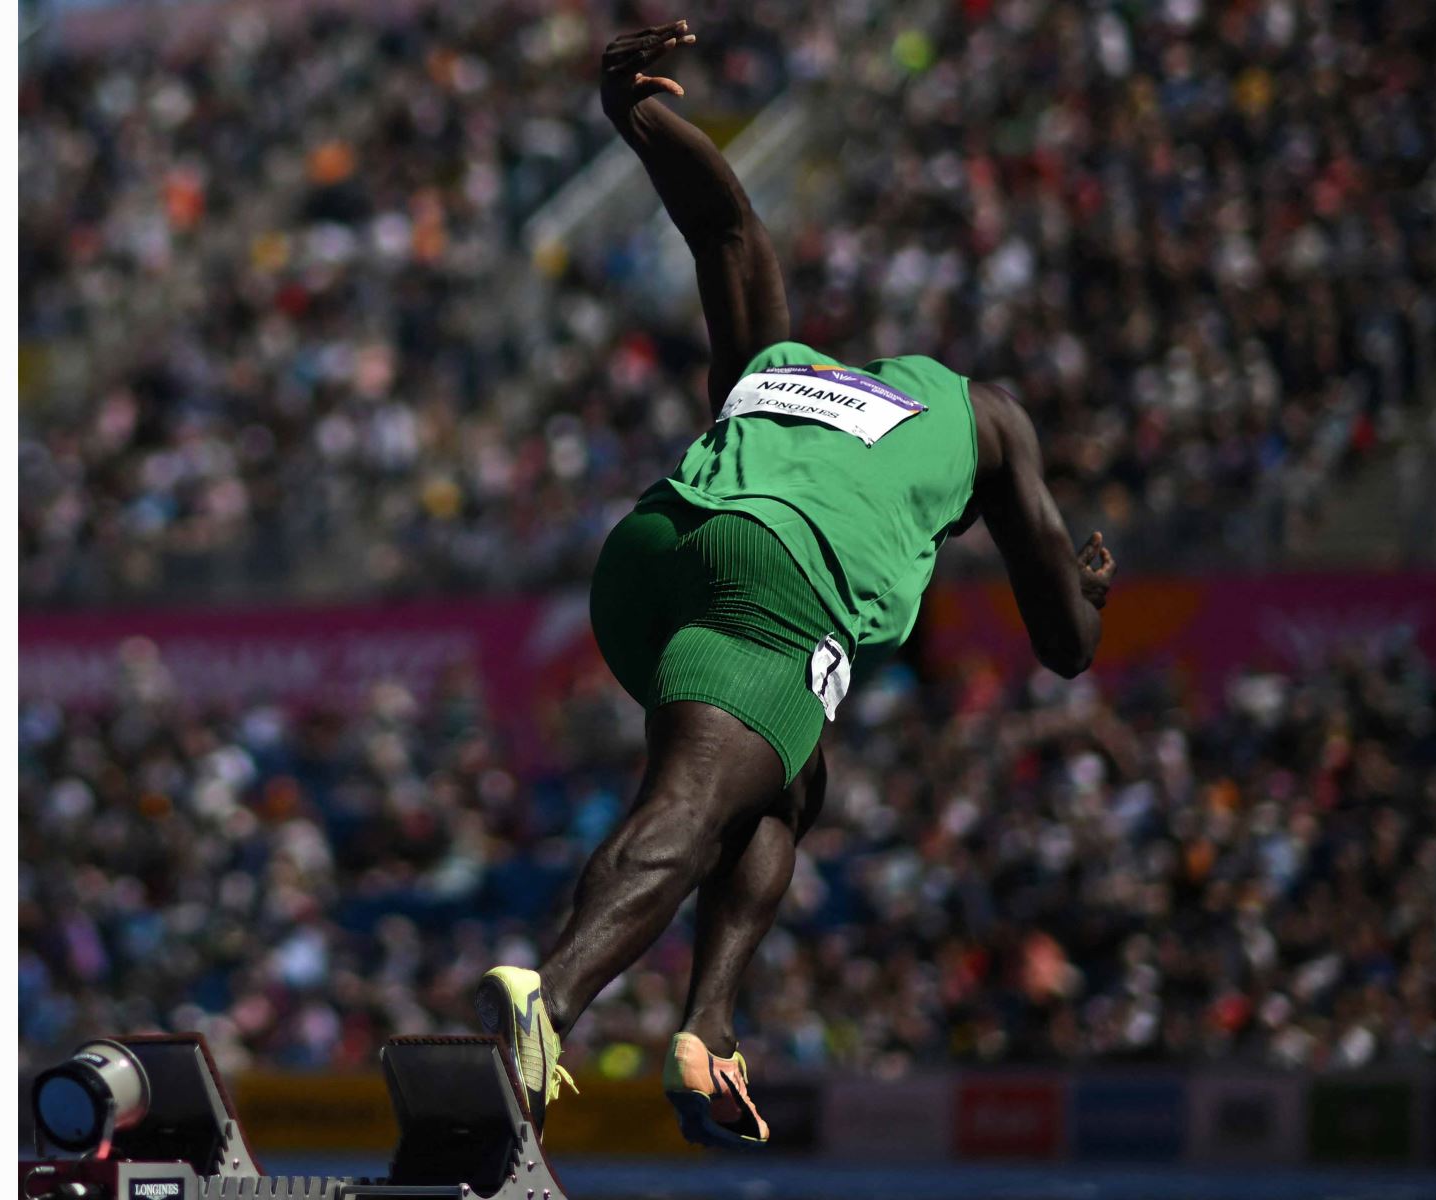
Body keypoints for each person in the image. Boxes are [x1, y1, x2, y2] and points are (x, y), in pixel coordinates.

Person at [476, 20, 1116, 1149]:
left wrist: (638, 115)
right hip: (778, 588)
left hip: (653, 558)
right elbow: (1065, 644)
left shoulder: (779, 362)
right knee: (686, 806)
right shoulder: (988, 421)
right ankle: (551, 1000)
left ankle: (707, 1026)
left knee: (786, 780)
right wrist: (1089, 587)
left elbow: (723, 223)